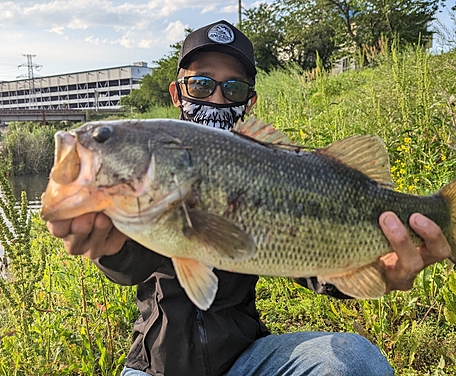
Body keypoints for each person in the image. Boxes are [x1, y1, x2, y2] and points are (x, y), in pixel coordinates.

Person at [47, 20, 452, 376]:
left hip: (248, 359)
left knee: (354, 361)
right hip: (155, 367)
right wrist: (106, 248)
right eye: (202, 84)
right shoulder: (148, 186)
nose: (217, 100)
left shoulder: (262, 162)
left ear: (249, 101)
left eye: (234, 88)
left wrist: (381, 269)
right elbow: (133, 260)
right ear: (177, 92)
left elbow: (311, 265)